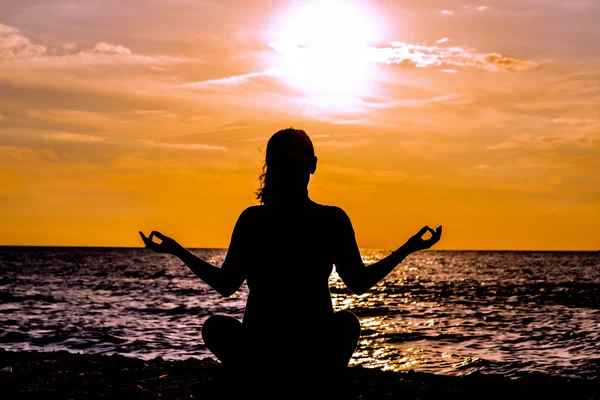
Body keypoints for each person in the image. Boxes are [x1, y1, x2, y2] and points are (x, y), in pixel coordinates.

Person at [139, 128, 442, 397]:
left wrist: (409, 247)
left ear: (312, 165)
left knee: (346, 323)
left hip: (288, 349)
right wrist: (177, 250)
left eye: (299, 158)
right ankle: (315, 381)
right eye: (291, 159)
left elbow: (226, 284)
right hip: (277, 349)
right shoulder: (264, 220)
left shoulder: (319, 219)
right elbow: (227, 284)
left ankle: (262, 379)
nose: (296, 164)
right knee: (218, 326)